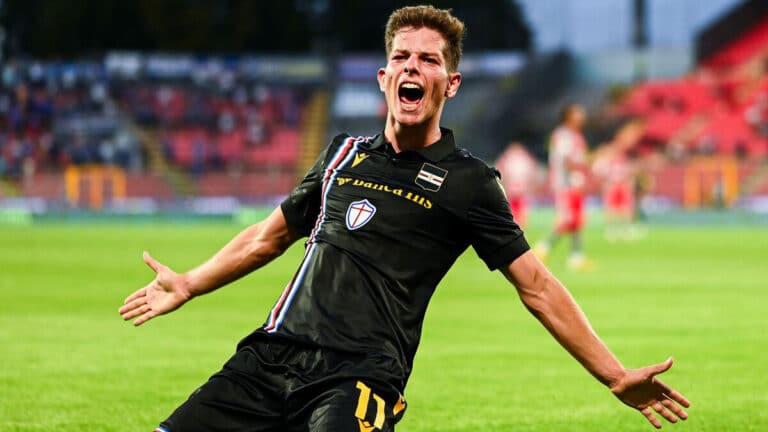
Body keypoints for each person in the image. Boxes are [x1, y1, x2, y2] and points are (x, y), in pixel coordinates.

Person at [119, 6, 690, 431]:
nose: (411, 67)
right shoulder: (342, 153)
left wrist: (614, 375)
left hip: (359, 378)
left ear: (451, 83)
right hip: (268, 356)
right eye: (400, 57)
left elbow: (537, 286)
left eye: (428, 60)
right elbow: (268, 238)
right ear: (384, 77)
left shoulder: (470, 182)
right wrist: (191, 282)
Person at [534, 103, 592, 270]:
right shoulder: (563, 135)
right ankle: (542, 247)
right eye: (578, 113)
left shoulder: (575, 135)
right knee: (567, 219)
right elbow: (566, 160)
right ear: (568, 116)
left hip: (574, 182)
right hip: (566, 183)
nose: (582, 116)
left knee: (576, 220)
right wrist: (573, 179)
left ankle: (576, 257)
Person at [495, 142, 539, 228]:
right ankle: (518, 229)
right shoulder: (525, 159)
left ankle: (513, 228)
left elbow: (500, 172)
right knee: (520, 211)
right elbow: (532, 173)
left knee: (511, 210)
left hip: (512, 187)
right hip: (521, 188)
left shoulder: (508, 158)